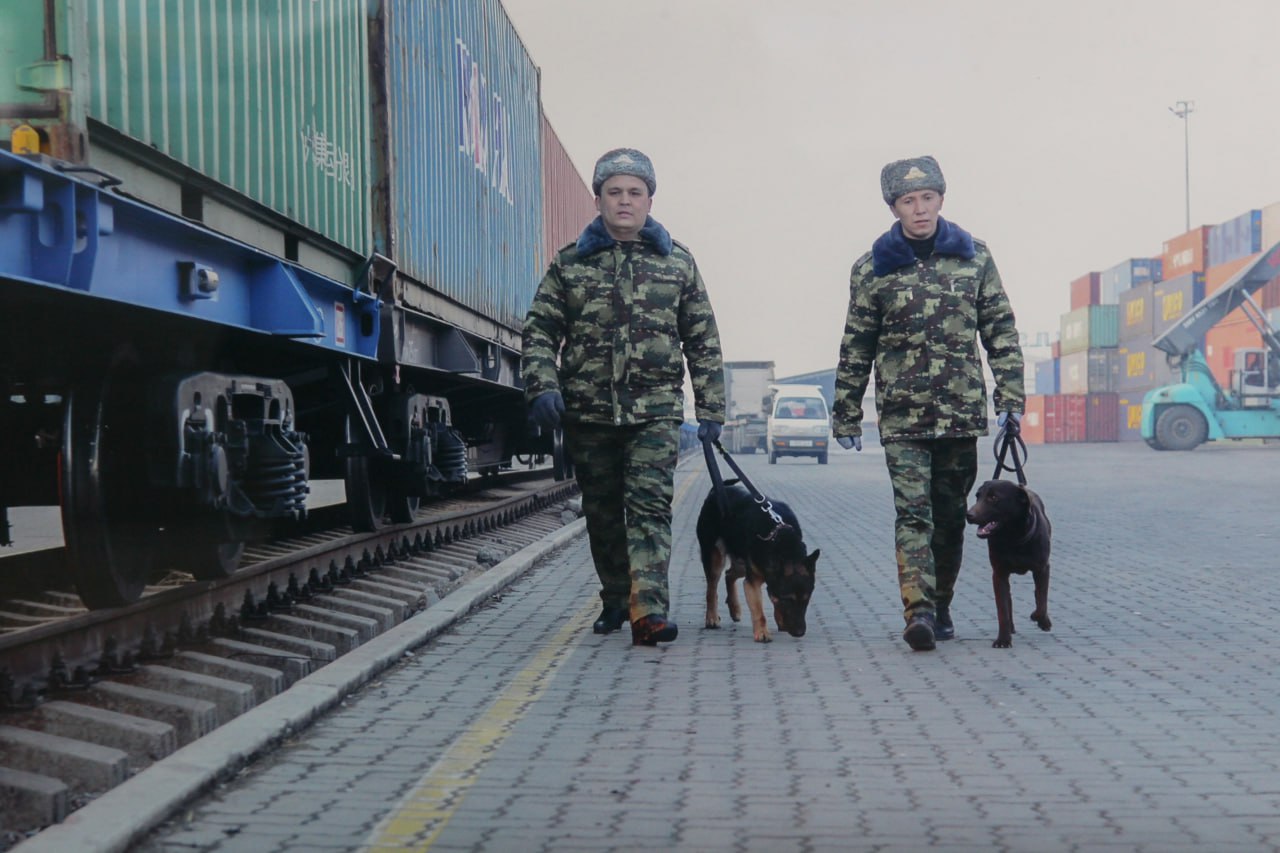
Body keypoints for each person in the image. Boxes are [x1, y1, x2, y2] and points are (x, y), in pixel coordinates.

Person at [522, 148, 725, 646]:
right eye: (614, 192)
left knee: (651, 508)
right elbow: (540, 331)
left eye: (635, 192)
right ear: (598, 200)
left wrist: (711, 408)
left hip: (654, 413)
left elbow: (702, 339)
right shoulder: (570, 264)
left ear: (650, 200)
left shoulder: (677, 263)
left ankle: (649, 610)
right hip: (589, 412)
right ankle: (617, 596)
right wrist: (542, 385)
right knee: (603, 511)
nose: (625, 202)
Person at [832, 155, 1024, 651]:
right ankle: (917, 612)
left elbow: (999, 331)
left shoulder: (974, 258)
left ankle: (940, 607)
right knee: (913, 515)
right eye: (907, 201)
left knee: (950, 517)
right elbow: (857, 344)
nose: (919, 209)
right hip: (902, 417)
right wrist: (847, 410)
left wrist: (1010, 397)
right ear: (893, 206)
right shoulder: (872, 268)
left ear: (941, 198)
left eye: (927, 198)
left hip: (960, 416)